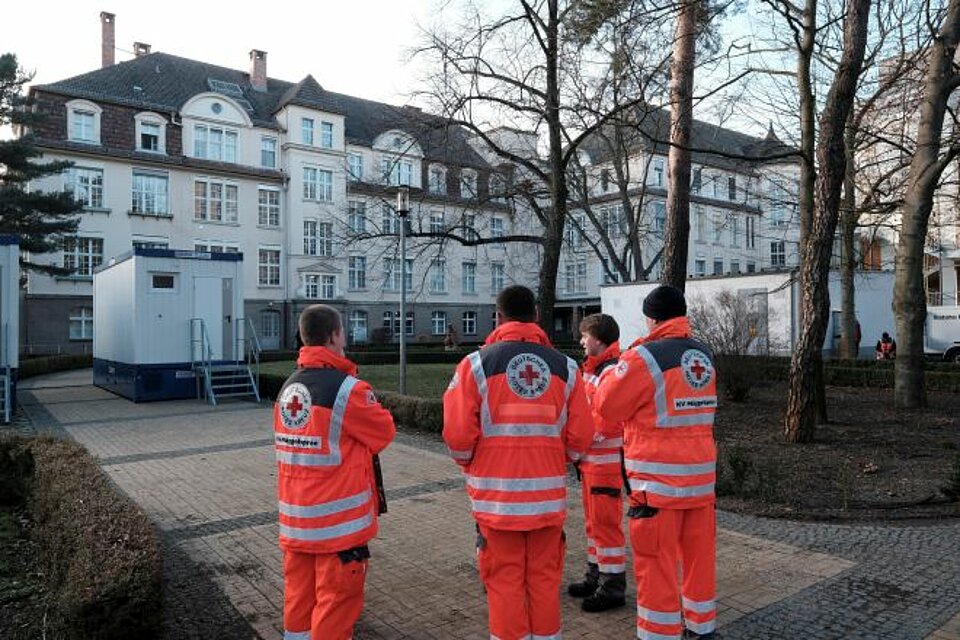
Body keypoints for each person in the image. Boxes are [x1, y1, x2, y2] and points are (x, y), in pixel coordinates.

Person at [443, 285, 594, 640]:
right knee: (544, 581)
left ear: (499, 317)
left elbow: (457, 434)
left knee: (504, 582)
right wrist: (558, 459)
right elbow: (583, 435)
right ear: (537, 317)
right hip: (546, 500)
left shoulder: (474, 365)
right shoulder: (567, 368)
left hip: (495, 501)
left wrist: (472, 465)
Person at [594, 285, 718, 640]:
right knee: (700, 564)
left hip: (656, 489)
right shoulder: (703, 354)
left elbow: (607, 407)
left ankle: (659, 635)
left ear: (651, 317)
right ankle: (702, 628)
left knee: (657, 566)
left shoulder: (644, 358)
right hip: (701, 484)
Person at [274, 304, 396, 640]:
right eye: (343, 332)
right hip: (337, 530)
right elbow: (384, 432)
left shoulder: (289, 387)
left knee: (298, 606)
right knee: (334, 607)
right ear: (334, 336)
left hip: (297, 523)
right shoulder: (348, 390)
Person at [567, 313, 628, 612]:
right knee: (594, 526)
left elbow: (604, 424)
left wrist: (575, 444)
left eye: (584, 336)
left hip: (603, 465)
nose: (580, 341)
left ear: (599, 339)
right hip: (592, 465)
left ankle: (613, 586)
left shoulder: (612, 372)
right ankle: (596, 575)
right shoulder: (595, 370)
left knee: (607, 527)